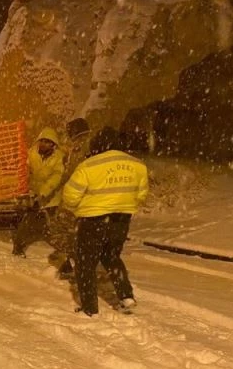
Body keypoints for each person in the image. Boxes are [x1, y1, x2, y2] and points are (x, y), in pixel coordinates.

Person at [62, 126, 149, 316]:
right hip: (121, 220)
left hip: (92, 221)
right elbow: (141, 195)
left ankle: (89, 308)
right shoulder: (138, 165)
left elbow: (69, 195)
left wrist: (77, 208)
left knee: (86, 263)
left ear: (97, 144)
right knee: (112, 257)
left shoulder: (89, 166)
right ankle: (126, 295)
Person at [49, 117, 95, 279]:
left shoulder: (80, 147)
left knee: (59, 229)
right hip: (91, 197)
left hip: (79, 198)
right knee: (77, 232)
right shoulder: (91, 144)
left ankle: (74, 263)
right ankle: (75, 261)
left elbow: (73, 174)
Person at [12, 127, 66, 257]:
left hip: (51, 197)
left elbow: (57, 176)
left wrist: (43, 192)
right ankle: (18, 247)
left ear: (53, 144)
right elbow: (25, 170)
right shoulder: (32, 153)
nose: (43, 144)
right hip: (34, 196)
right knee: (27, 222)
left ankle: (62, 251)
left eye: (47, 142)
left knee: (53, 226)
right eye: (42, 141)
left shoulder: (59, 157)